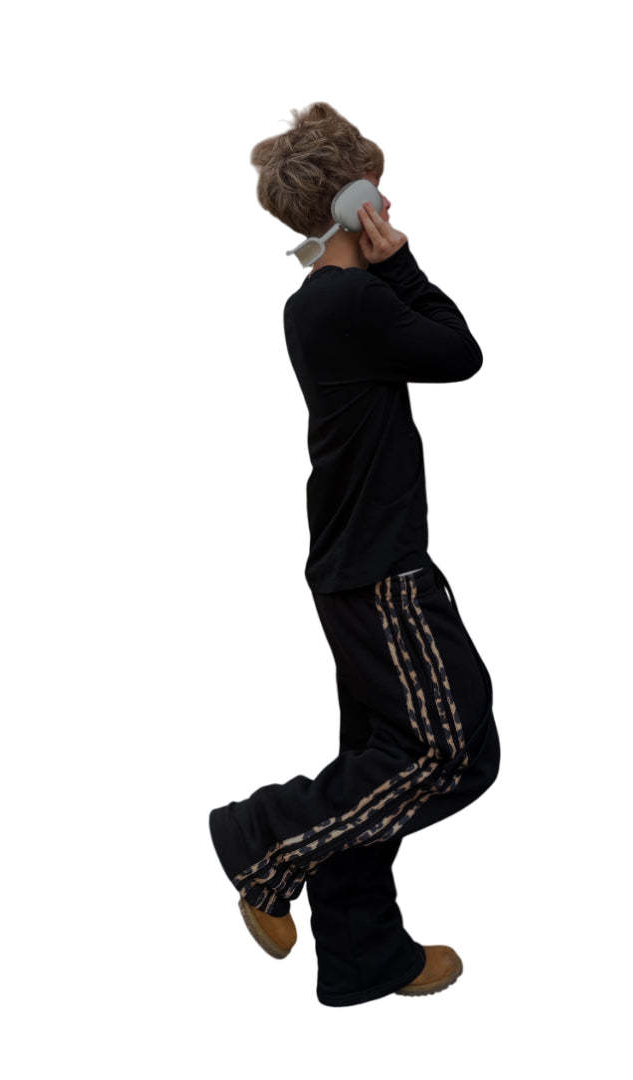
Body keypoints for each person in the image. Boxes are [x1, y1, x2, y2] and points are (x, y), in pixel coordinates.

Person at [208, 101, 501, 1007]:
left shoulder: (317, 303)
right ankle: (265, 838)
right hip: (382, 573)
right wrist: (400, 258)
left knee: (381, 757)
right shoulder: (352, 299)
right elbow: (461, 353)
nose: (390, 197)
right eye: (377, 184)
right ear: (352, 200)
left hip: (355, 563)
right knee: (452, 753)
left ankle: (364, 951)